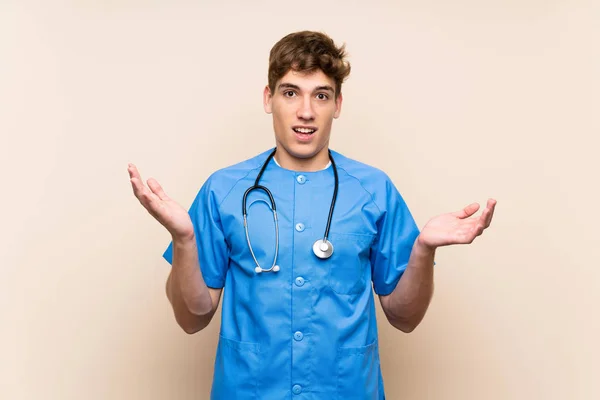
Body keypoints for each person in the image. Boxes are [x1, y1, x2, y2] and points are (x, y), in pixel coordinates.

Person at [128, 30, 496, 399]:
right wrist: (185, 240)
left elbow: (405, 318)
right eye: (291, 93)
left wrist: (424, 249)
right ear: (269, 98)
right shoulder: (223, 190)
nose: (306, 111)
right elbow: (192, 318)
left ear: (337, 104)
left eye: (321, 95)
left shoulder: (375, 190)